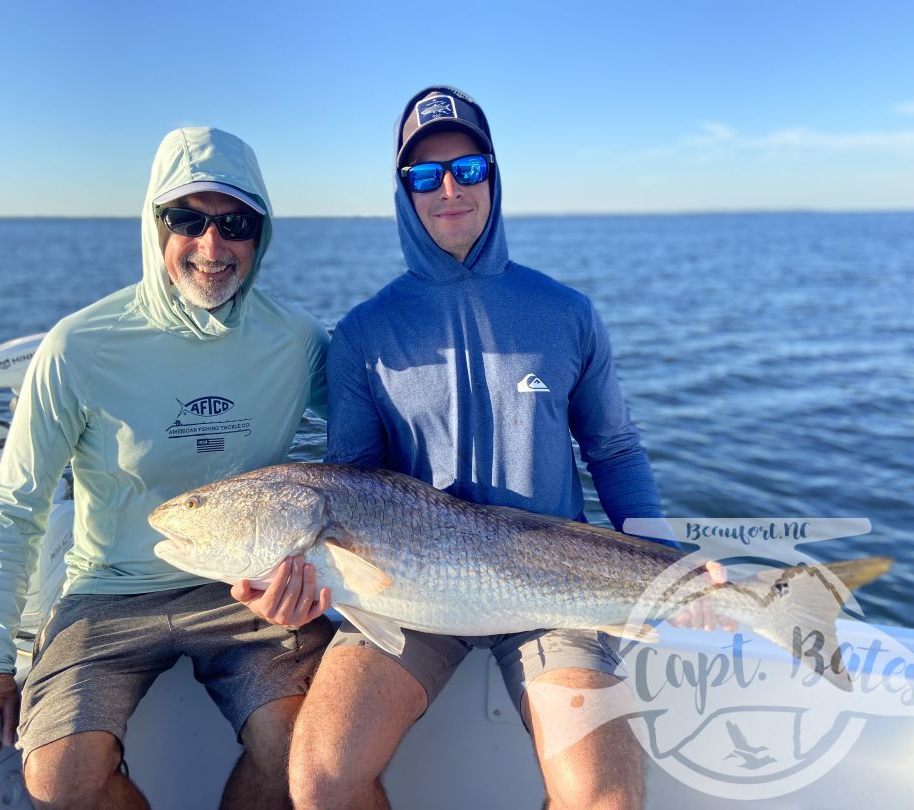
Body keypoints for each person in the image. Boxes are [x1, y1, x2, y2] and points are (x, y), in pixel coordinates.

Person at [266, 87, 730, 810]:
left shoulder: (567, 312)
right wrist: (310, 582)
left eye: (467, 168)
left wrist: (665, 563)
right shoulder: (363, 332)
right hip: (410, 589)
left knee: (603, 799)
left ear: (493, 174)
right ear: (404, 192)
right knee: (322, 776)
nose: (449, 188)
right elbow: (352, 484)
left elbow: (613, 451)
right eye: (425, 175)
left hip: (554, 590)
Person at [0, 126, 335, 810]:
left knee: (305, 747)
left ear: (261, 235)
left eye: (234, 223)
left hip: (249, 588)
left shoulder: (296, 341)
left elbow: (384, 418)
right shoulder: (79, 346)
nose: (212, 246)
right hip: (107, 593)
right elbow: (17, 504)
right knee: (60, 780)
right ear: (155, 226)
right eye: (188, 219)